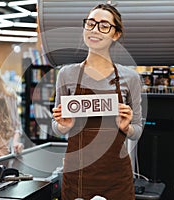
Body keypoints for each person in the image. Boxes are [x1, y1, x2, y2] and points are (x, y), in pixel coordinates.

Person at [52, 3, 143, 200]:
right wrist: (62, 126)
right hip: (77, 176)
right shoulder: (66, 74)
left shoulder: (130, 78)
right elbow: (55, 127)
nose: (95, 30)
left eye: (104, 26)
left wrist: (127, 127)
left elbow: (137, 130)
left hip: (117, 178)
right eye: (91, 24)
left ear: (116, 34)